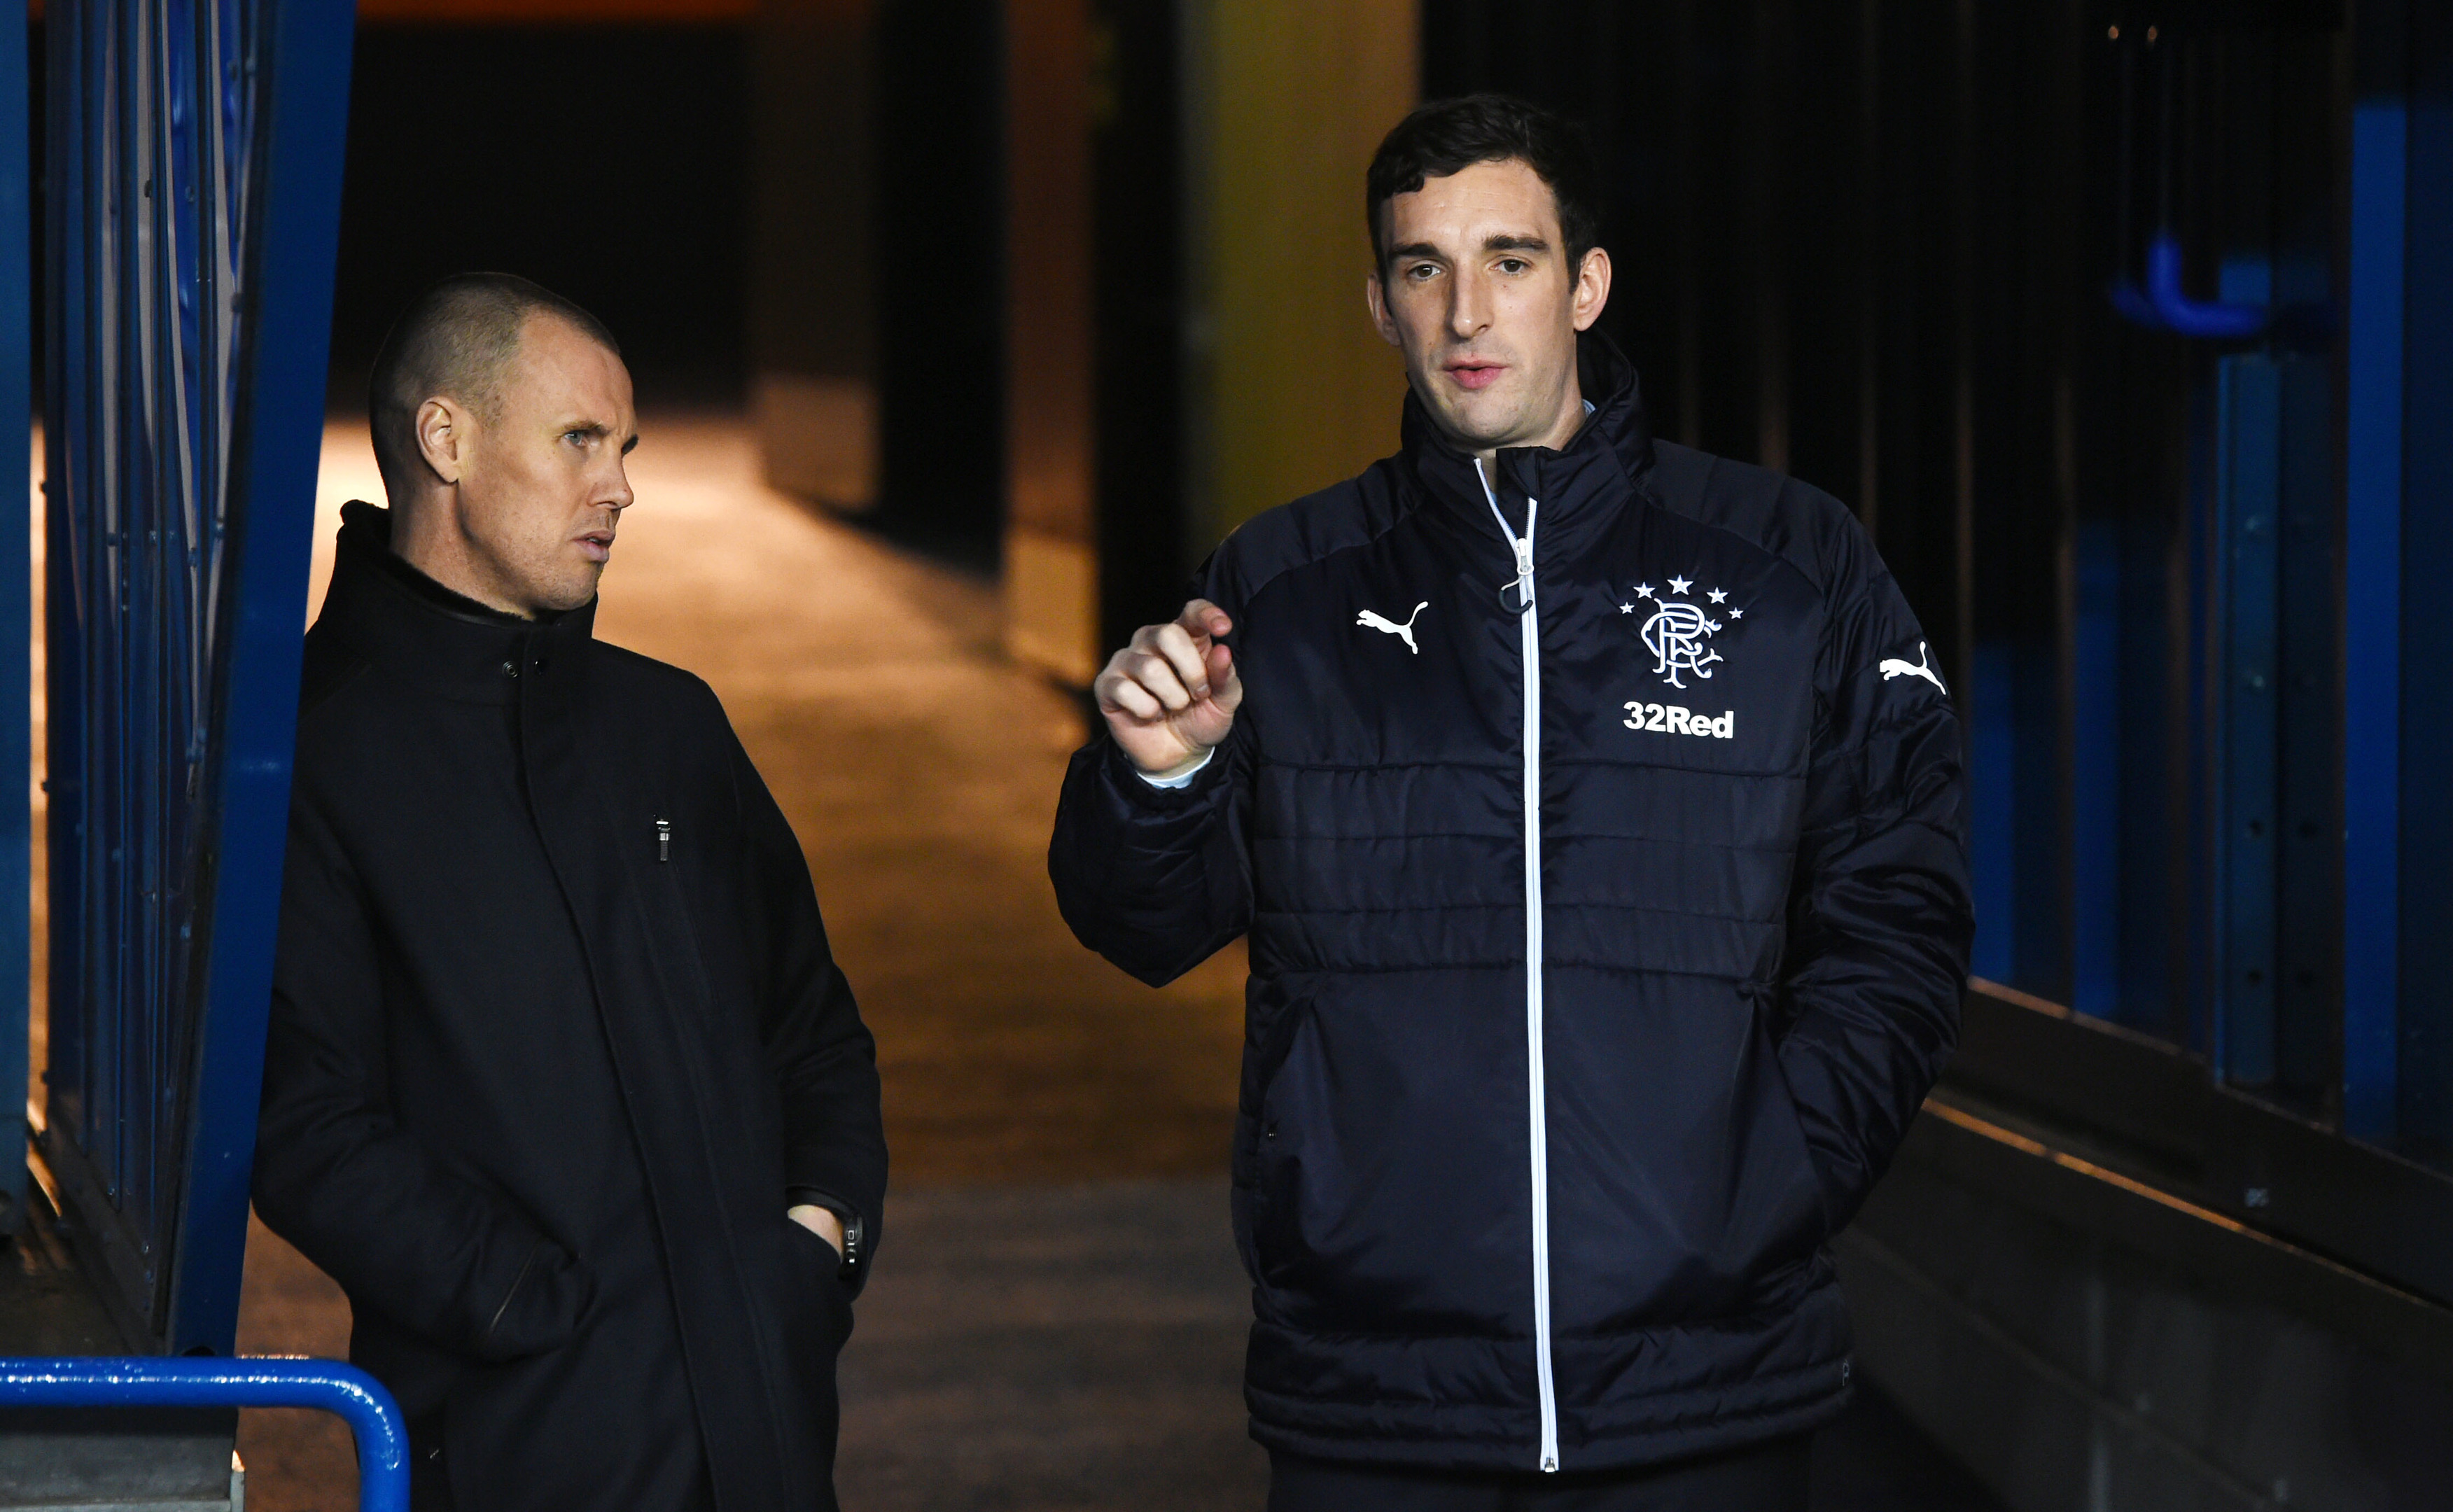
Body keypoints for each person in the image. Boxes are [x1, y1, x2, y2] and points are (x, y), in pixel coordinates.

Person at [1049, 95, 1971, 1511]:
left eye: (1512, 260)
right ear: (1380, 303)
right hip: (1378, 1404)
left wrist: (1767, 1176)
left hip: (1701, 1390)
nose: (1465, 311)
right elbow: (1142, 921)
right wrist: (1155, 771)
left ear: (1587, 285)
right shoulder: (1285, 591)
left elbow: (1900, 911)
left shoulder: (1790, 572)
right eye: (1424, 268)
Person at [252, 274, 886, 1512]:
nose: (623, 486)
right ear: (447, 440)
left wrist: (817, 1247)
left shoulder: (670, 726)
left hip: (763, 1443)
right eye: (581, 440)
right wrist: (521, 1303)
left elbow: (813, 1026)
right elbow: (300, 1121)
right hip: (519, 1449)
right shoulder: (316, 758)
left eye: (628, 446)